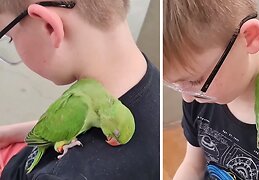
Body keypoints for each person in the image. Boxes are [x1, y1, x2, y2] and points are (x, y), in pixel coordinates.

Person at [0, 0, 160, 179]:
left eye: (10, 38)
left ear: (49, 27)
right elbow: (70, 122)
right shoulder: (152, 87)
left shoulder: (61, 174)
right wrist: (10, 134)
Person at [164, 0, 259, 179]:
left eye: (195, 81)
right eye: (175, 85)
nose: (187, 98)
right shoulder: (199, 97)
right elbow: (192, 165)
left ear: (249, 37)